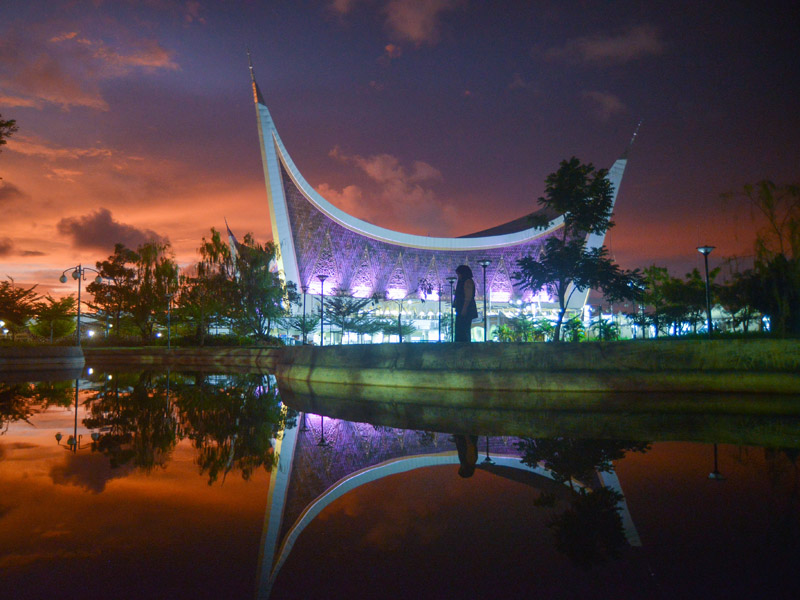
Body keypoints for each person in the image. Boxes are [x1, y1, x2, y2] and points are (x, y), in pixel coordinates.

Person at [453, 265, 477, 342]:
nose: (458, 276)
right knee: (461, 328)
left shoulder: (468, 282)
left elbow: (468, 297)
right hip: (461, 308)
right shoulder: (462, 282)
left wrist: (464, 309)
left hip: (465, 309)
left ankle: (464, 345)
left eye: (459, 274)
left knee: (463, 328)